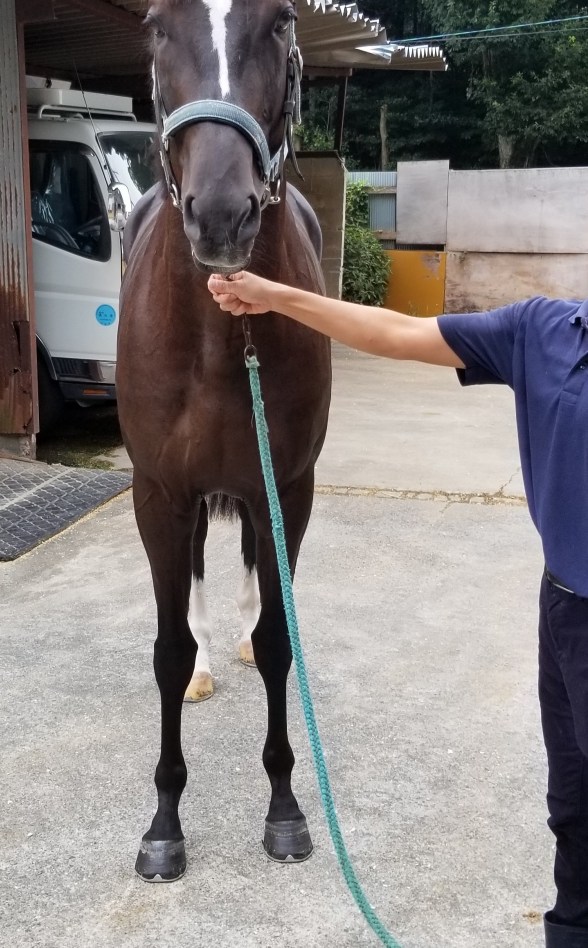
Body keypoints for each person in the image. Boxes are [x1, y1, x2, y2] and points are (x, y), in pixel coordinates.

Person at [208, 269, 588, 948]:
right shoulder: (546, 331)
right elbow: (400, 332)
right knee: (574, 811)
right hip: (564, 607)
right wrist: (277, 298)